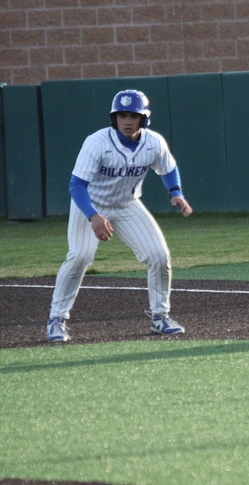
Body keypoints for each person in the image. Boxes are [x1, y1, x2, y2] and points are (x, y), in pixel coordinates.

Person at [46, 89, 193, 342]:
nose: (127, 121)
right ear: (114, 118)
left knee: (159, 255)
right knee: (80, 255)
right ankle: (56, 319)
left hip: (127, 204)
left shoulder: (153, 142)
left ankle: (160, 317)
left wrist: (176, 192)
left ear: (143, 118)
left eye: (133, 116)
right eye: (122, 115)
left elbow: (168, 168)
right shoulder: (97, 142)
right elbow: (77, 185)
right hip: (90, 203)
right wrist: (93, 216)